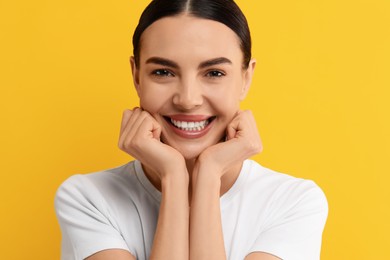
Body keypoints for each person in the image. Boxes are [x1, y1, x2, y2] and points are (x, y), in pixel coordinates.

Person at [55, 0, 328, 259]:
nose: (187, 99)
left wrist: (208, 175)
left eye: (214, 73)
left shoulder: (293, 204)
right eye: (163, 72)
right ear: (136, 76)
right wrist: (174, 178)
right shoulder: (87, 198)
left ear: (246, 78)